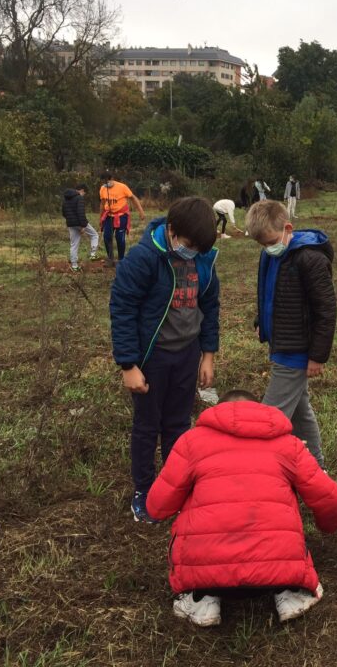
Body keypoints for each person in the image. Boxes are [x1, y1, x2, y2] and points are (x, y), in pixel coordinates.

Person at [146, 390, 337, 627]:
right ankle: (289, 593)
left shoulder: (191, 442)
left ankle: (203, 600)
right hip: (276, 571)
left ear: (215, 412)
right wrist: (328, 526)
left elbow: (157, 506)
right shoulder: (289, 445)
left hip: (207, 575)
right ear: (261, 412)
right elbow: (329, 497)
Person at [109, 196, 220, 523]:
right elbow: (123, 309)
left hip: (186, 355)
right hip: (152, 357)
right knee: (147, 426)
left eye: (199, 248)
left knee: (178, 425)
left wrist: (208, 355)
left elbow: (210, 308)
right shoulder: (144, 259)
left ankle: (176, 485)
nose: (193, 252)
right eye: (188, 245)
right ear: (171, 231)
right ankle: (144, 489)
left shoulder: (203, 260)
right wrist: (128, 365)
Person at [245, 201, 337, 469]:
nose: (268, 248)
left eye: (271, 241)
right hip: (281, 342)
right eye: (262, 245)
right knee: (300, 412)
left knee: (269, 418)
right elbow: (269, 292)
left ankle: (257, 472)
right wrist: (261, 320)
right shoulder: (271, 255)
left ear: (287, 228)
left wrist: (318, 356)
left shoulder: (311, 259)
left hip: (297, 350)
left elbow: (326, 311)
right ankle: (316, 467)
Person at [99, 171, 146, 267]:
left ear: (112, 179)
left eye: (107, 181)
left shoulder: (122, 187)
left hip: (121, 216)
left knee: (119, 238)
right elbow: (102, 203)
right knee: (107, 236)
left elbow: (133, 198)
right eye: (104, 182)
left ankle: (121, 259)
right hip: (109, 216)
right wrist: (101, 218)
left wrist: (141, 211)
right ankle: (110, 259)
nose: (106, 184)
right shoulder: (103, 189)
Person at [62, 183, 100, 271]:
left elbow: (64, 213)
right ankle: (93, 254)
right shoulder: (79, 198)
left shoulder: (65, 199)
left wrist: (70, 220)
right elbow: (81, 213)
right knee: (94, 235)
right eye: (84, 193)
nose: (84, 195)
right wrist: (83, 226)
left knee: (74, 244)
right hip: (80, 223)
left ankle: (74, 266)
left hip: (70, 223)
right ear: (82, 190)